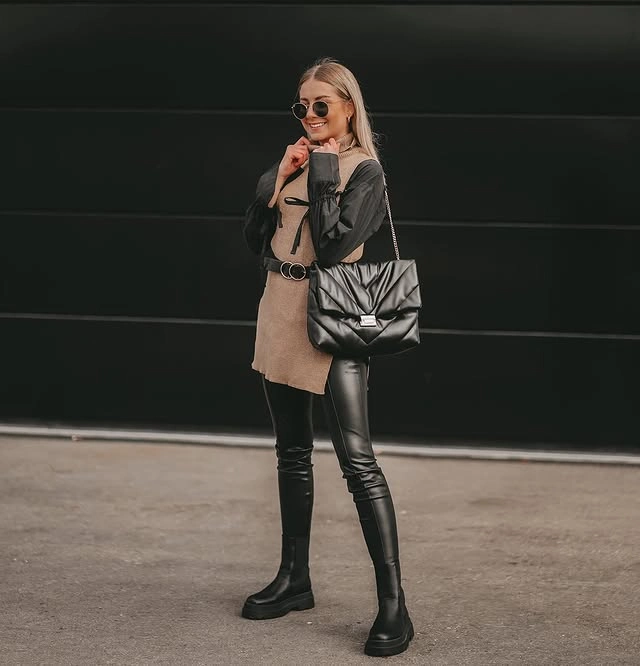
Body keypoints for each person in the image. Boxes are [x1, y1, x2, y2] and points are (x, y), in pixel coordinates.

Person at [240, 57, 414, 657]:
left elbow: (339, 243)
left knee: (357, 463)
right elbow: (251, 238)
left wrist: (318, 172)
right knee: (292, 454)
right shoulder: (293, 159)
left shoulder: (365, 170)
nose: (310, 115)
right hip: (280, 310)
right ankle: (295, 580)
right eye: (302, 106)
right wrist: (274, 179)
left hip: (333, 319)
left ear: (347, 107)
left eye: (321, 105)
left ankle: (394, 605)